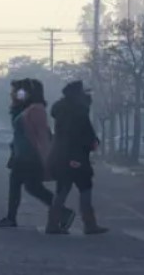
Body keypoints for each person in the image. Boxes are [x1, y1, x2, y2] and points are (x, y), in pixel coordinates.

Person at [0, 78, 73, 229]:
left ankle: (12, 218)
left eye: (17, 92)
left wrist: (48, 160)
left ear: (28, 93)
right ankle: (63, 212)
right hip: (22, 155)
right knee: (32, 187)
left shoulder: (36, 109)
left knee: (20, 185)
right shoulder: (26, 109)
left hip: (30, 156)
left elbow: (42, 136)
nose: (13, 94)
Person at [46, 80, 108, 235]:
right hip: (76, 156)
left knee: (62, 189)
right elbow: (81, 135)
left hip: (61, 156)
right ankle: (89, 224)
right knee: (85, 188)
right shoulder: (78, 111)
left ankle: (52, 223)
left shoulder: (62, 110)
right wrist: (88, 146)